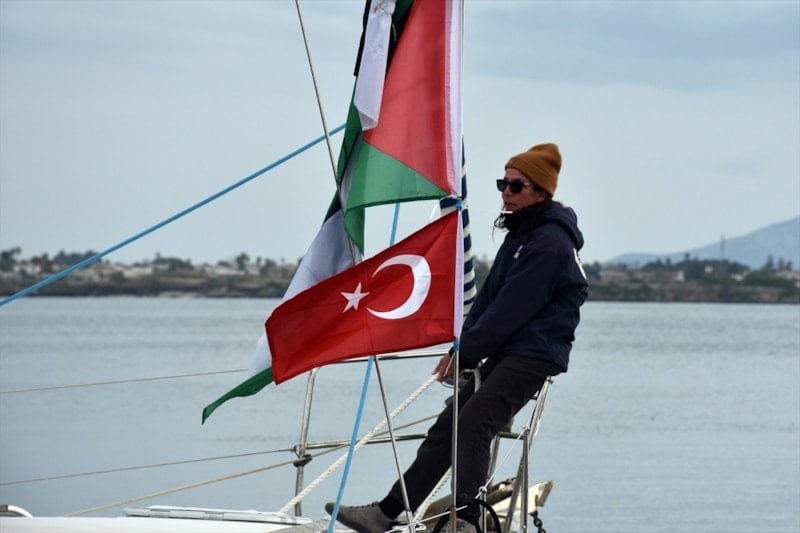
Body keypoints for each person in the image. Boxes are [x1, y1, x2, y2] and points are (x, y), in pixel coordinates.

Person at [326, 143, 588, 533]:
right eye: (503, 183)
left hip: (534, 353)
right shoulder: (522, 235)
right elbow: (489, 300)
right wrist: (460, 348)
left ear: (540, 192)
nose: (506, 192)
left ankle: (466, 518)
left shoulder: (549, 243)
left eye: (517, 186)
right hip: (511, 349)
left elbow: (512, 308)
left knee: (474, 423)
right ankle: (386, 512)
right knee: (448, 427)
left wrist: (467, 355)